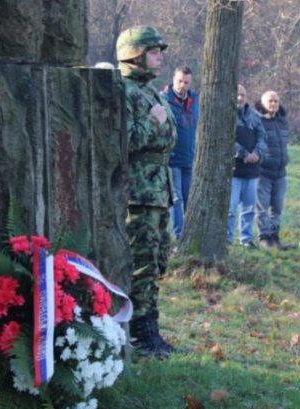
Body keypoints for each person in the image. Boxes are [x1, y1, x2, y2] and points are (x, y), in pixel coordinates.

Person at [116, 25, 179, 358]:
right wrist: (153, 122)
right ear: (135, 55)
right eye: (154, 51)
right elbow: (122, 141)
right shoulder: (124, 91)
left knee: (156, 261)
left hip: (158, 191)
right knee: (141, 262)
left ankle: (150, 328)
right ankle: (140, 333)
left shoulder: (151, 92)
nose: (160, 57)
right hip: (138, 194)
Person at [162, 66, 199, 240]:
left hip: (189, 158)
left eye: (186, 82)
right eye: (180, 81)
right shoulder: (164, 99)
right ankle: (179, 236)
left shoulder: (194, 100)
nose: (183, 85)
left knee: (189, 198)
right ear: (173, 79)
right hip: (172, 158)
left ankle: (190, 235)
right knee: (176, 198)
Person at [227, 84, 267, 248]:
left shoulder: (254, 116)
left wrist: (256, 153)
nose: (240, 98)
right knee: (230, 209)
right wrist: (243, 154)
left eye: (243, 95)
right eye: (237, 94)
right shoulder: (226, 115)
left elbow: (263, 137)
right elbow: (226, 139)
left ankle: (246, 239)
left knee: (249, 208)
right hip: (233, 170)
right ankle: (227, 239)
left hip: (252, 171)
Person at [254, 90, 290, 249]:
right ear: (263, 103)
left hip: (280, 173)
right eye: (270, 101)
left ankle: (275, 237)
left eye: (276, 101)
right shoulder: (257, 120)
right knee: (262, 207)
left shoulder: (283, 121)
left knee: (277, 207)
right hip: (263, 172)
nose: (274, 104)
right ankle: (264, 237)